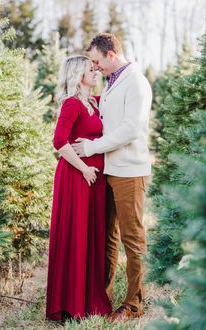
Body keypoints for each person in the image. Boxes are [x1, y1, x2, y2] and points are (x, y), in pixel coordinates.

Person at [72, 33, 152, 322]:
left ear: (110, 54)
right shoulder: (110, 83)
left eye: (96, 61)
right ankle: (101, 298)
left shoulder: (136, 82)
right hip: (110, 171)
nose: (95, 67)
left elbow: (131, 128)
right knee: (108, 238)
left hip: (130, 171)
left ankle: (133, 304)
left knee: (133, 239)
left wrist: (92, 147)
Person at [46, 55, 111, 322]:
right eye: (90, 68)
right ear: (77, 74)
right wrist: (84, 168)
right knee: (75, 235)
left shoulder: (94, 104)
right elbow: (59, 141)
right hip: (76, 179)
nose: (95, 71)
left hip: (94, 181)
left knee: (91, 236)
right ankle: (69, 304)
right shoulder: (72, 104)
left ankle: (88, 300)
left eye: (95, 67)